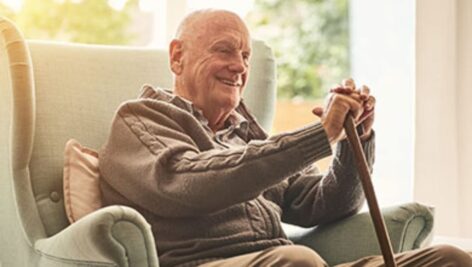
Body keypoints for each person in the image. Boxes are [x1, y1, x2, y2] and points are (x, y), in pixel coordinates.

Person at [98, 9, 472, 267]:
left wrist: (350, 139)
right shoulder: (142, 119)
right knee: (297, 260)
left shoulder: (247, 135)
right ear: (177, 56)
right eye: (225, 50)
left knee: (450, 259)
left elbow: (324, 204)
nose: (240, 67)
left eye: (245, 56)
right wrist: (318, 134)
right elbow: (190, 182)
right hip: (214, 262)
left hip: (290, 262)